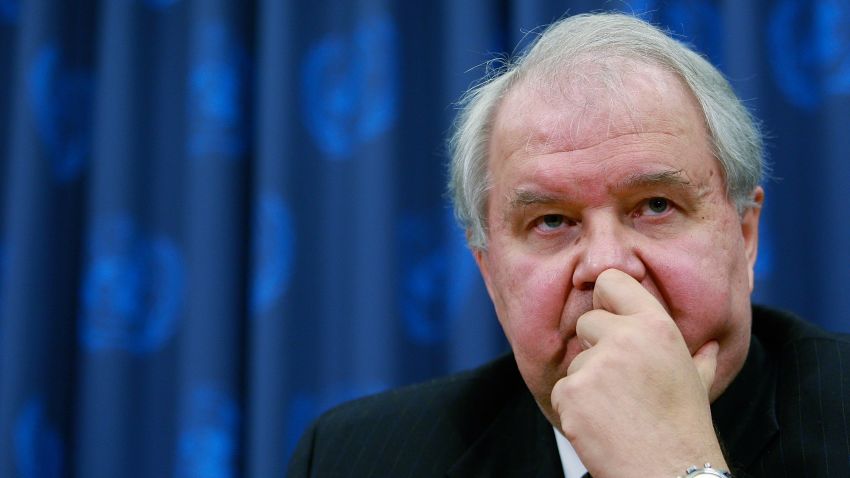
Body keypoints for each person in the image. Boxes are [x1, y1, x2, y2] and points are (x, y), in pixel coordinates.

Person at [287, 12, 850, 478]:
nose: (606, 265)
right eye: (552, 220)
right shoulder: (354, 458)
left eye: (656, 206)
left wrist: (676, 466)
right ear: (488, 272)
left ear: (745, 236)